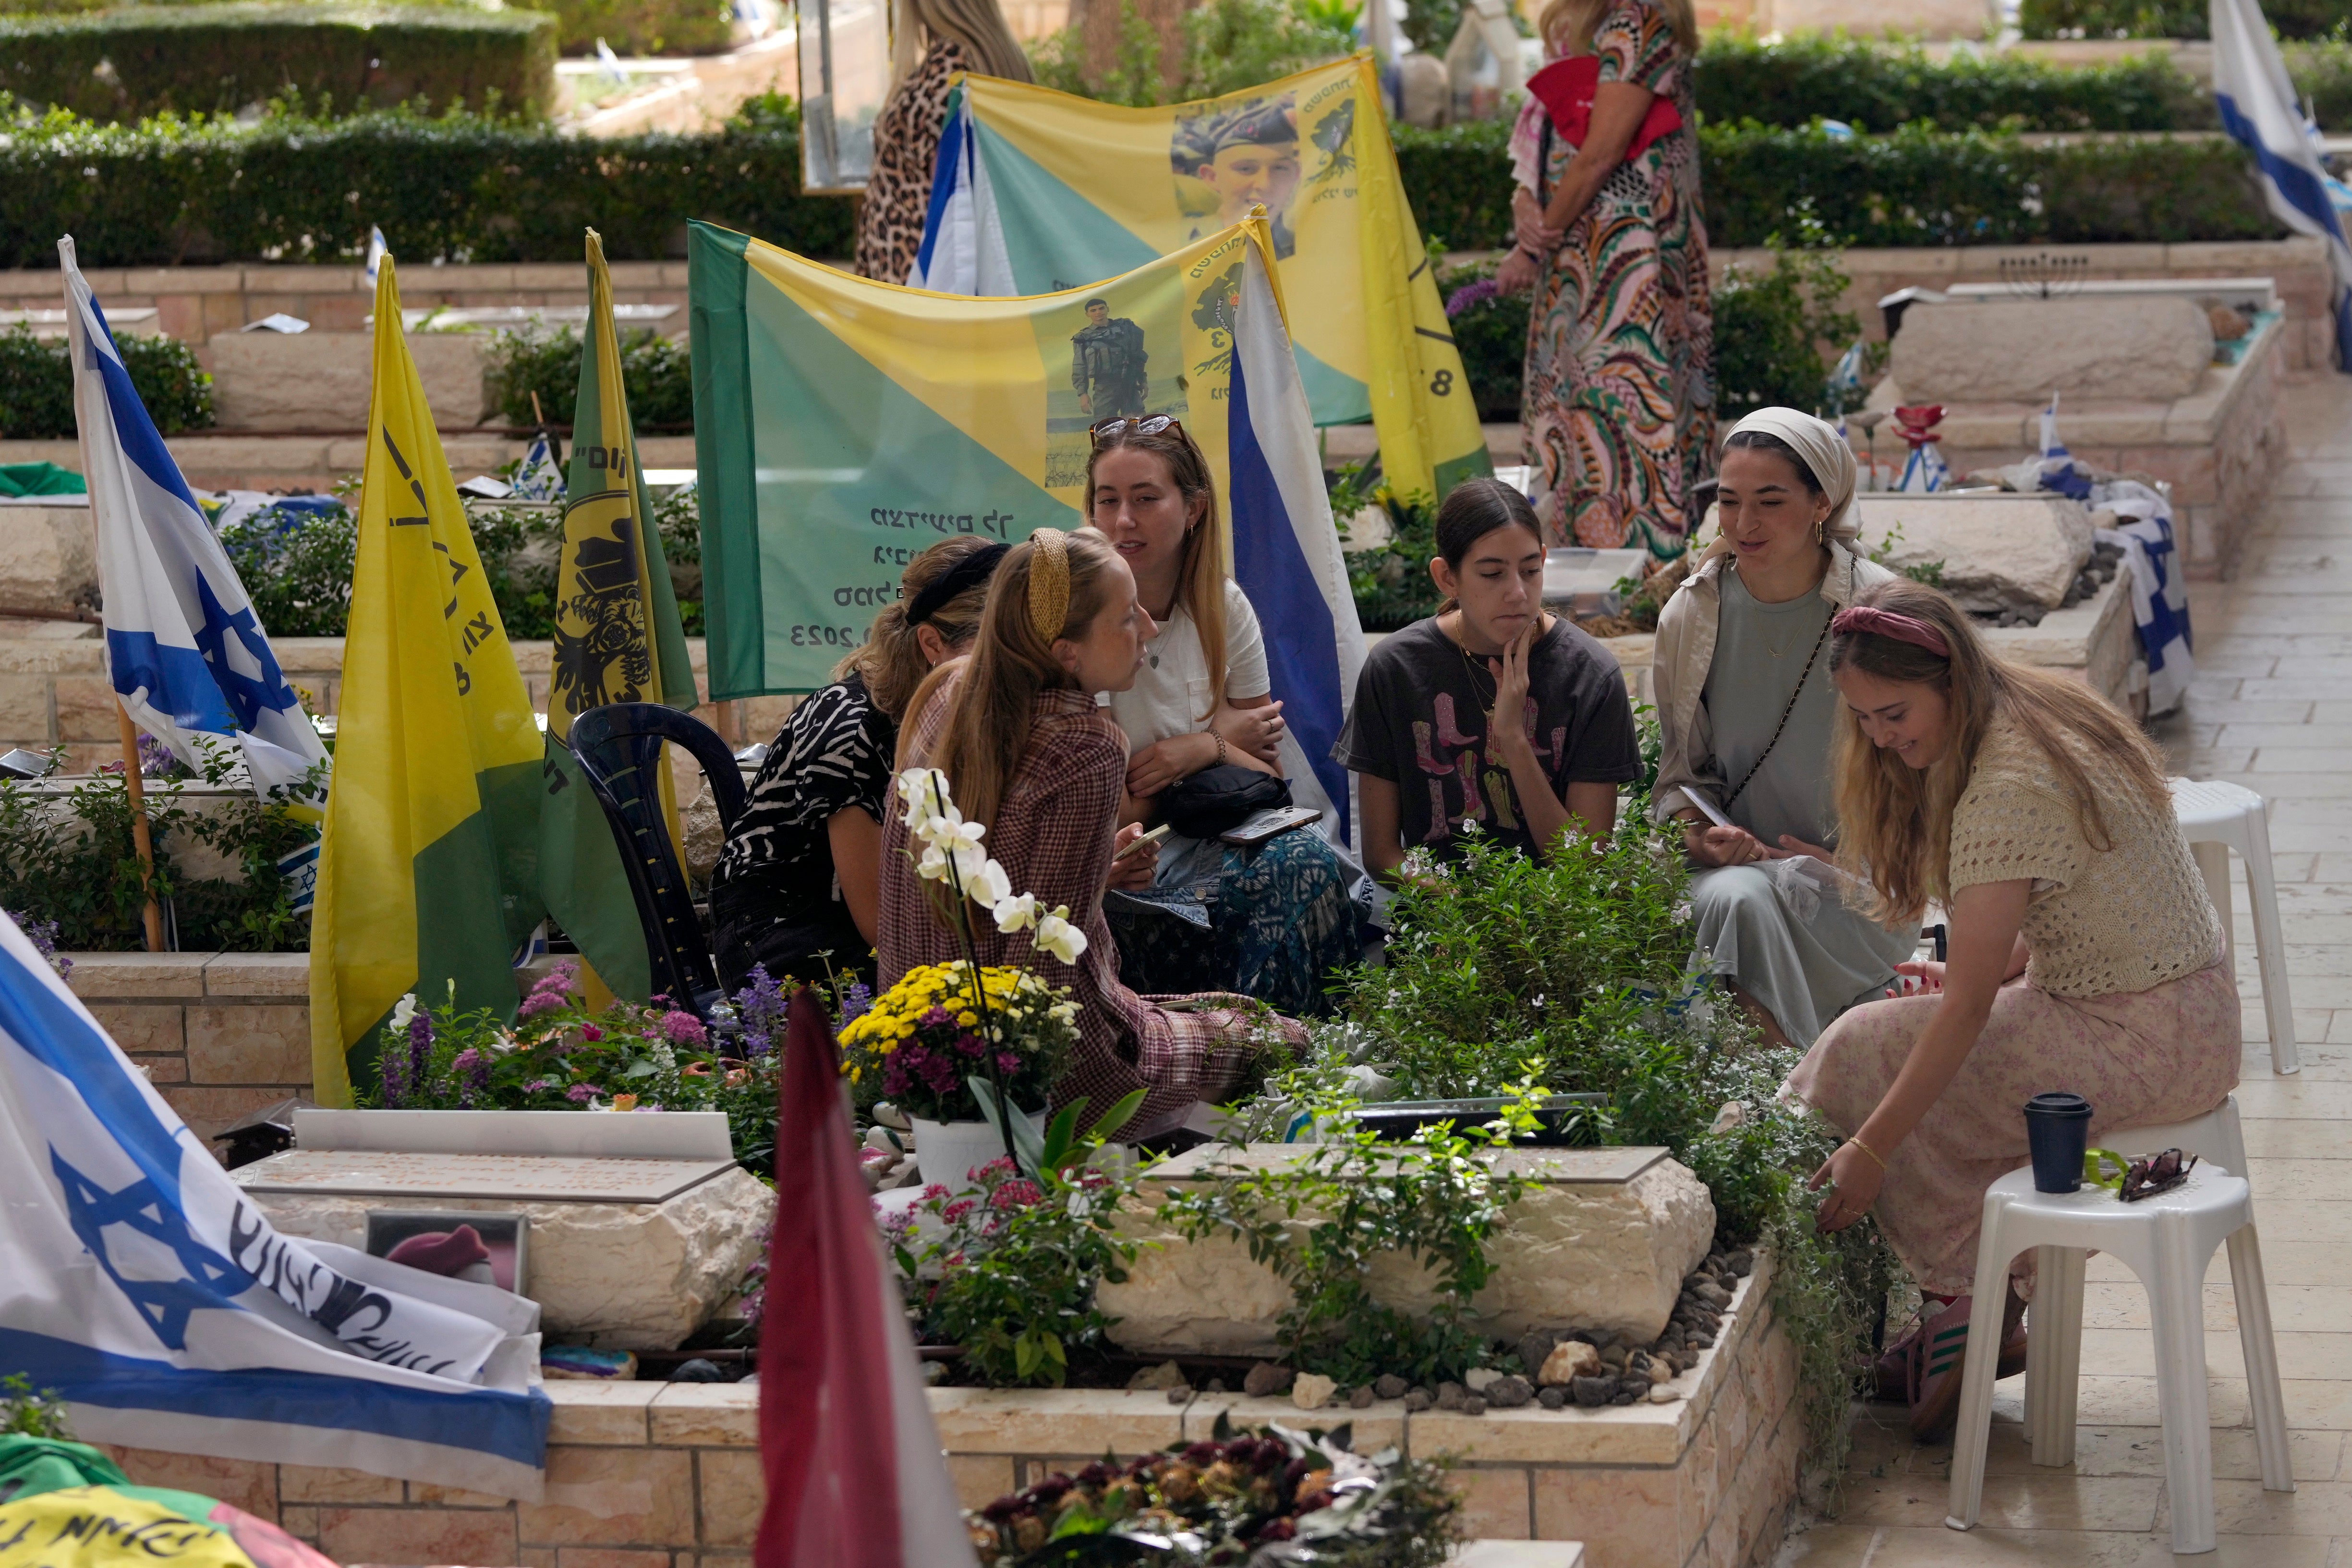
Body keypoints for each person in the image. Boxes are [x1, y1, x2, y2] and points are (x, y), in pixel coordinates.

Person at [1786, 579, 2236, 1438]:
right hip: (2183, 1010)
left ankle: (1961, 1294)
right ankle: (1971, 1301)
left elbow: (1959, 1016)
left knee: (1861, 1048)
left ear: (1948, 679)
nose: (1879, 738)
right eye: (1863, 720)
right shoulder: (2038, 706)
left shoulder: (2003, 786)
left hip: (2138, 1033)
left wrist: (1869, 1149)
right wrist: (1985, 982)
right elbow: (2070, 898)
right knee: (1906, 1035)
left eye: (1892, 713)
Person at [880, 527, 1305, 1138]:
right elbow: (1047, 983)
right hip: (1043, 1068)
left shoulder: (948, 688)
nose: (1149, 629)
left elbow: (989, 889)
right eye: (1126, 618)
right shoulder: (1084, 746)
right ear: (1065, 652)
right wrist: (1037, 1117)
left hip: (917, 1046)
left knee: (1234, 1013)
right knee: (1280, 1039)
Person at [1650, 408, 1918, 1050]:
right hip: (1734, 879)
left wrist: (1855, 866)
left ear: (1821, 502)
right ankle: (1795, 1094)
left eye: (1770, 502)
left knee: (1737, 913)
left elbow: (1932, 768)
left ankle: (1771, 1105)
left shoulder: (1882, 610)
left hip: (1860, 892)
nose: (1745, 524)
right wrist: (1701, 838)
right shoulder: (1690, 616)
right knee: (1738, 901)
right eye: (1729, 501)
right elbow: (1681, 778)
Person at [1090, 414, 1358, 1017]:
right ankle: (1259, 1058)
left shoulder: (1224, 605)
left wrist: (1198, 750)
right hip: (1131, 860)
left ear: (1193, 509)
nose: (1122, 521)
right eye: (1107, 501)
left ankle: (1299, 1062)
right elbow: (1112, 805)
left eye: (1145, 498)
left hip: (1215, 836)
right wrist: (1220, 744)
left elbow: (1260, 771)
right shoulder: (1081, 623)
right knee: (1288, 874)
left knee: (1305, 858)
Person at [708, 535, 1010, 989]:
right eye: (998, 652)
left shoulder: (953, 712)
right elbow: (882, 926)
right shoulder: (853, 734)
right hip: (784, 933)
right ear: (932, 643)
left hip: (870, 919)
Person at [1336, 478, 1642, 878]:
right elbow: (1381, 855)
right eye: (1493, 574)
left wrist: (1513, 738)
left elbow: (1584, 866)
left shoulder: (1590, 676)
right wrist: (1463, 909)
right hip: (1441, 917)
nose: (1518, 592)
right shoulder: (1395, 669)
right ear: (1447, 577)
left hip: (1558, 922)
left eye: (1531, 570)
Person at [1496, 0, 1712, 556]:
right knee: (1579, 411)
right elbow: (1544, 135)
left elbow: (1599, 154)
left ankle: (1636, 573)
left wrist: (1533, 237)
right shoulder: (1584, 18)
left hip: (1626, 257)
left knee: (1624, 405)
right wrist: (1525, 204)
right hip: (1580, 252)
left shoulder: (1639, 19)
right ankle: (1576, 573)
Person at [854, 0, 1032, 285]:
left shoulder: (949, 68)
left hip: (919, 274)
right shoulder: (993, 60)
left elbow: (953, 185)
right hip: (942, 272)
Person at [1172, 97, 1302, 258]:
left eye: (1280, 169)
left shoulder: (1304, 245)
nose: (1265, 185)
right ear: (1212, 178)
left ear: (1296, 175)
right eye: (1246, 169)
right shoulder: (1178, 242)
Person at [1072, 300, 1150, 422]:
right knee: (1106, 429)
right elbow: (1079, 366)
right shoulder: (1083, 338)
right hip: (1104, 388)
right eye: (1093, 310)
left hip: (1130, 385)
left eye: (1101, 308)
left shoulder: (1125, 329)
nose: (1098, 312)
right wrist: (1083, 394)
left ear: (1108, 309)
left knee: (1137, 427)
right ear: (1087, 314)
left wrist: (1143, 381)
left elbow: (1137, 356)